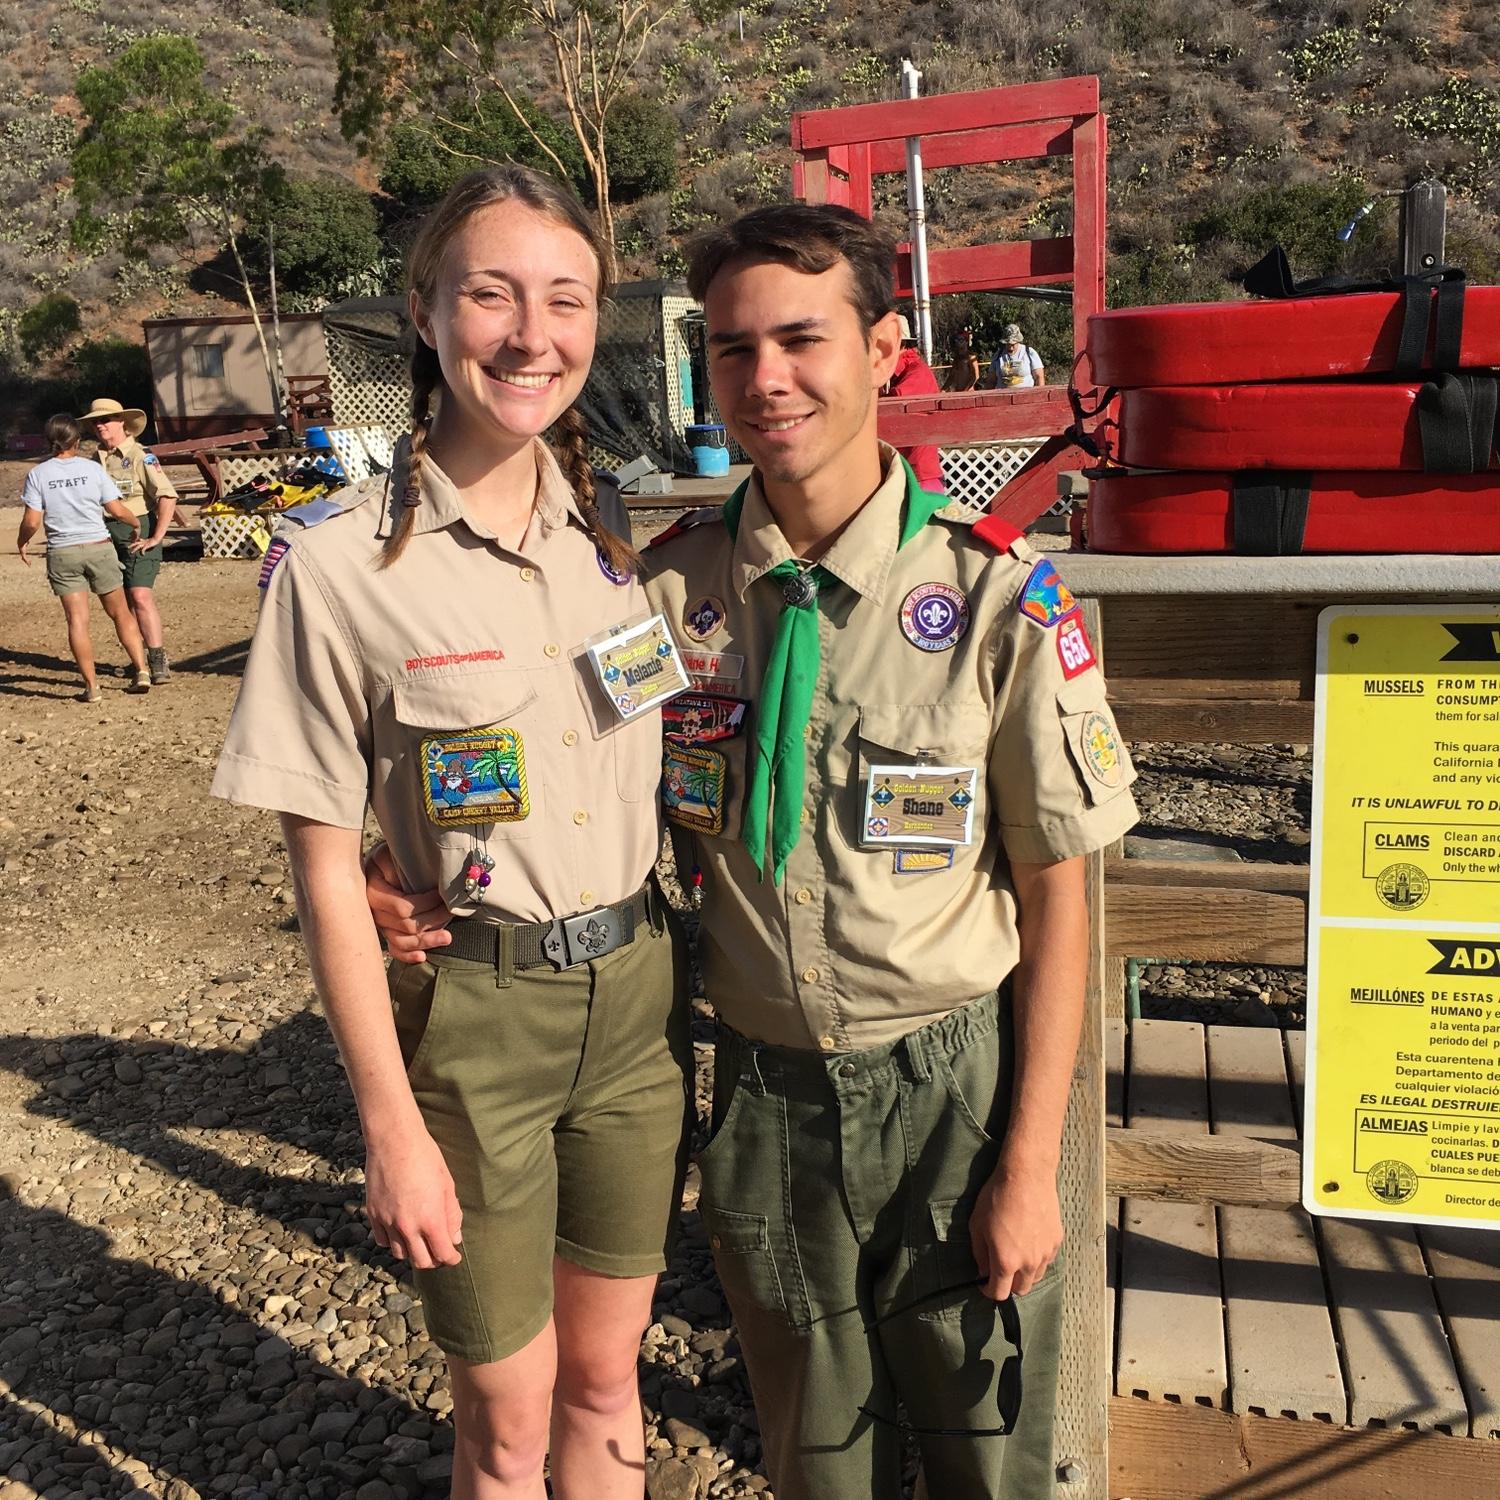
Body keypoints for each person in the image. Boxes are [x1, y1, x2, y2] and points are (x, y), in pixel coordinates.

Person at [367, 203, 1139, 1500]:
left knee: (986, 1446)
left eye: (802, 339)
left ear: (887, 348)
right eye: (734, 349)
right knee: (811, 1454)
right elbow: (549, 751)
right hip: (768, 1094)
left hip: (952, 1085)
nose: (767, 378)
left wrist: (1031, 1159)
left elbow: (1064, 899)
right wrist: (410, 857)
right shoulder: (669, 593)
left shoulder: (1002, 598)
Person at [211, 166, 693, 1500]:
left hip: (639, 1003)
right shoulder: (333, 569)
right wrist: (389, 1126)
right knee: (508, 1416)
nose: (531, 335)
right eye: (491, 295)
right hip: (481, 1019)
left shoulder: (608, 543)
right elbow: (317, 869)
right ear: (426, 313)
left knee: (609, 1382)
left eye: (566, 299)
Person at [16, 413, 152, 701]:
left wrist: (23, 541)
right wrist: (136, 523)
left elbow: (32, 521)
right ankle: (141, 669)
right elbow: (115, 509)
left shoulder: (38, 475)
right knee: (119, 612)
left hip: (63, 552)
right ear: (76, 441)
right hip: (98, 546)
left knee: (77, 621)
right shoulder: (92, 470)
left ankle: (92, 687)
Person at [78, 397, 179, 684]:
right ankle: (140, 661)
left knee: (141, 596)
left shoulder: (140, 455)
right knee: (121, 603)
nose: (100, 426)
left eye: (106, 420)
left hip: (138, 530)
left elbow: (167, 495)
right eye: (96, 422)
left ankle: (157, 658)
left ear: (122, 421)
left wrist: (156, 536)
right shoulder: (93, 461)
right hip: (103, 535)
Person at [881, 314, 945, 494]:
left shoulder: (917, 373)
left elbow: (891, 406)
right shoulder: (899, 374)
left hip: (920, 475)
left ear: (899, 344)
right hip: (909, 472)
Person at [991, 322, 1045, 388]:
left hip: (1026, 396)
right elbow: (991, 381)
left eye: (1013, 344)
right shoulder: (998, 356)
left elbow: (1039, 377)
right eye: (1008, 344)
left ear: (1018, 341)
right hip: (1002, 396)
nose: (1011, 348)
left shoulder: (1029, 353)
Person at [942, 325, 981, 392]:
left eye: (961, 340)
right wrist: (943, 390)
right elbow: (951, 376)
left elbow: (976, 376)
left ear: (966, 341)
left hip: (968, 393)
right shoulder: (956, 359)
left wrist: (966, 390)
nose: (958, 343)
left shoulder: (971, 358)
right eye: (957, 340)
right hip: (958, 392)